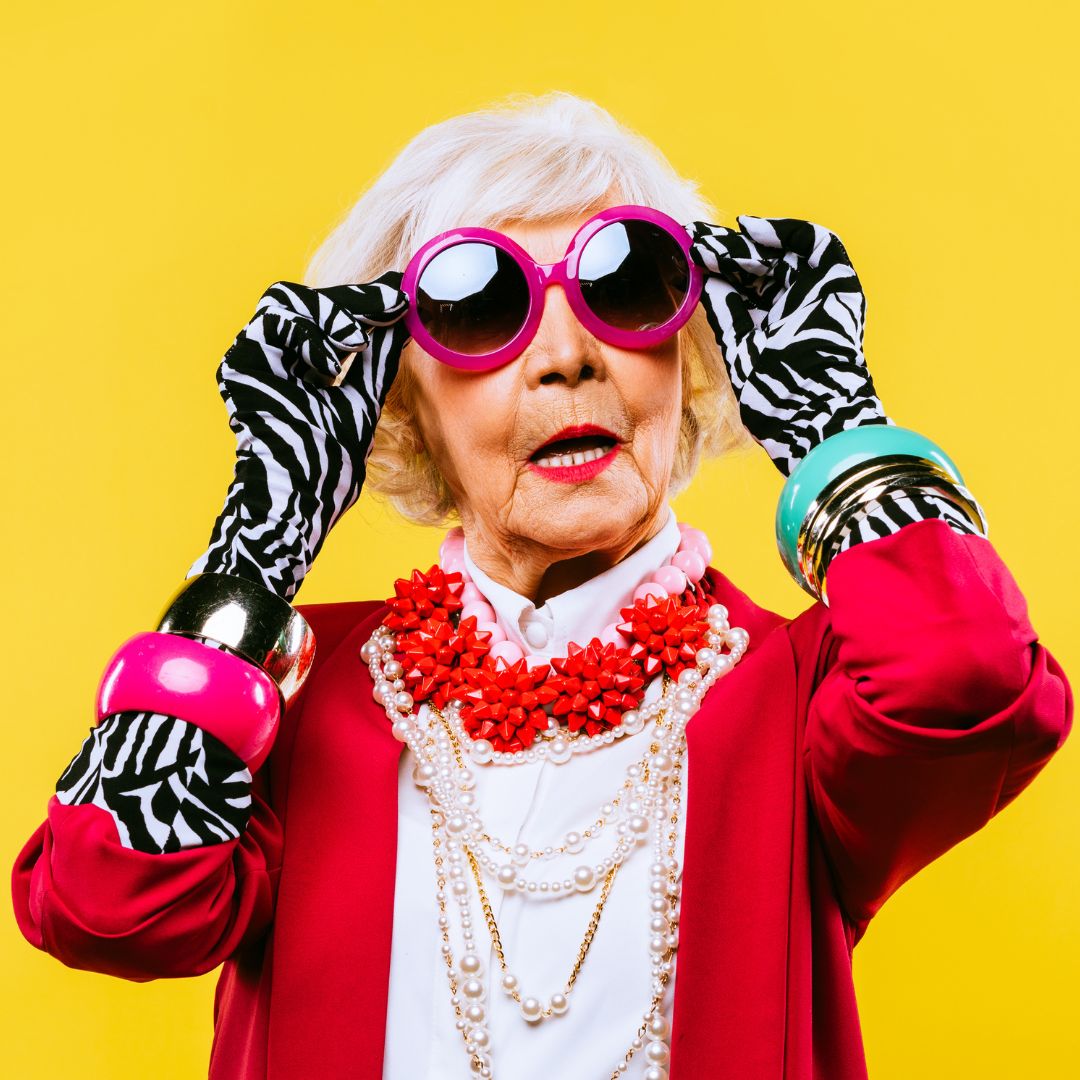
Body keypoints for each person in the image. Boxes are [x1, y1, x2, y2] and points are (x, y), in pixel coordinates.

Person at [10, 91, 1072, 1080]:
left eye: (626, 288)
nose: (568, 356)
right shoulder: (294, 703)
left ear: (695, 355)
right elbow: (109, 903)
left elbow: (968, 677)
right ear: (396, 401)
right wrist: (261, 542)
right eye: (476, 307)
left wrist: (835, 421)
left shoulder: (794, 694)